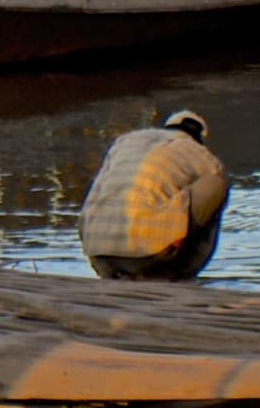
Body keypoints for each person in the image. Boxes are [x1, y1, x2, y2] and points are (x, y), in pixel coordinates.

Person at [80, 109, 229, 281]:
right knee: (215, 183)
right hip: (148, 256)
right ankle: (179, 273)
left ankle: (114, 265)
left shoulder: (124, 142)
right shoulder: (197, 150)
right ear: (199, 137)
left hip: (98, 254)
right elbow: (217, 177)